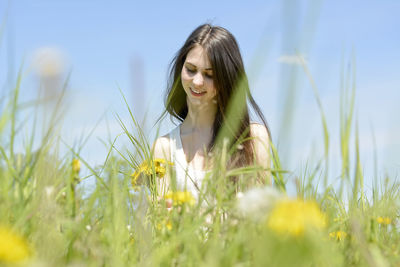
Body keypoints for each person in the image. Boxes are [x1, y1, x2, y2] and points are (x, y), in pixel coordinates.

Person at [153, 24, 271, 199]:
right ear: (181, 68)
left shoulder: (253, 138)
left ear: (227, 79)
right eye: (191, 70)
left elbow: (262, 215)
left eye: (210, 75)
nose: (197, 81)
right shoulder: (164, 147)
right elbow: (160, 221)